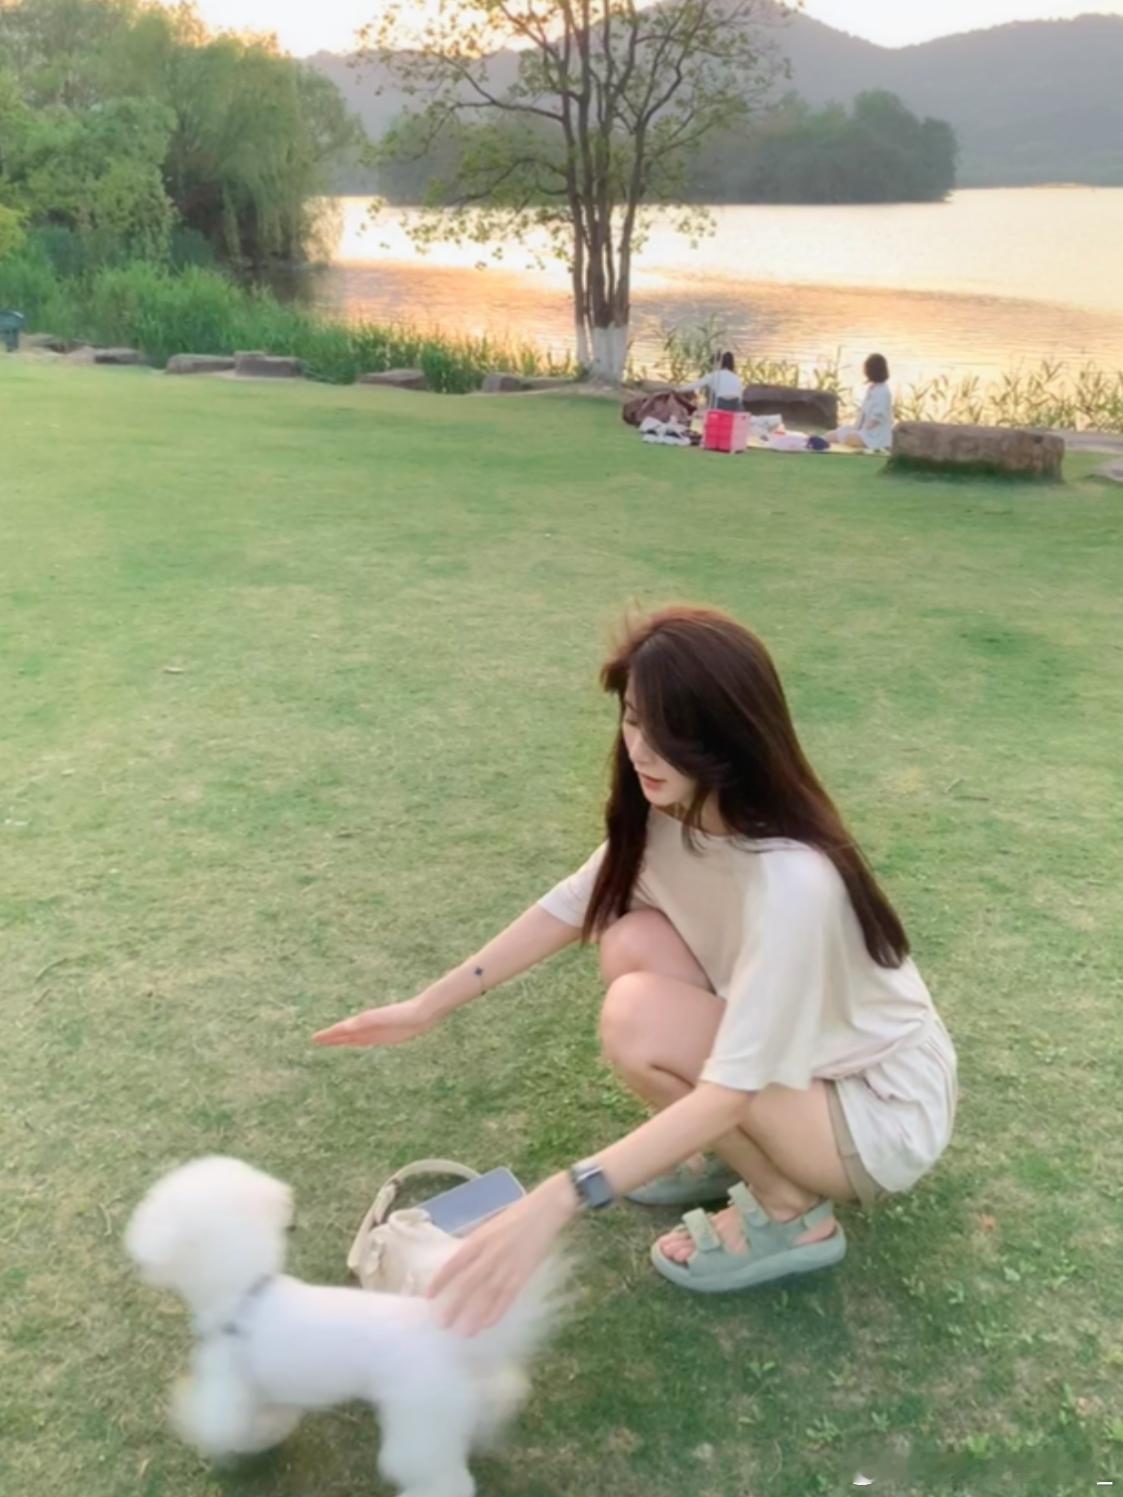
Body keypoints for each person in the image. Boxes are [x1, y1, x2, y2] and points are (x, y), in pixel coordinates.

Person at [314, 607, 958, 1334]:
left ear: (729, 734)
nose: (642, 751)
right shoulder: (670, 818)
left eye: (669, 734)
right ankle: (740, 1156)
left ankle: (792, 1212)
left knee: (637, 1017)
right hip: (802, 1065)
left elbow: (729, 1092)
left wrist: (558, 1197)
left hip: (874, 1111)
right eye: (631, 720)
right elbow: (568, 907)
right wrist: (423, 1007)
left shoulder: (792, 879)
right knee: (629, 940)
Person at [828, 353, 894, 451]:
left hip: (876, 436)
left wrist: (861, 431)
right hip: (863, 430)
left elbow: (877, 418)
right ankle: (811, 441)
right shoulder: (872, 388)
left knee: (849, 438)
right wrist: (856, 428)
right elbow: (863, 415)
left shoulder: (883, 392)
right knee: (831, 435)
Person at [678, 351, 743, 412]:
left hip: (720, 405)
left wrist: (678, 390)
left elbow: (695, 385)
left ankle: (712, 412)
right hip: (734, 406)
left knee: (711, 390)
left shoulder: (714, 375)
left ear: (720, 363)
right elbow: (740, 397)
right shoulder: (736, 378)